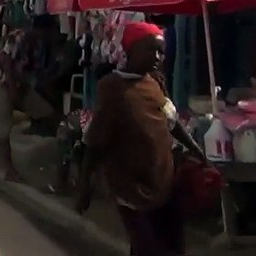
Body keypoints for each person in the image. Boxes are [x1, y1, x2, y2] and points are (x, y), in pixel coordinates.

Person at [77, 22, 208, 256]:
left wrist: (198, 153)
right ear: (130, 50)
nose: (158, 57)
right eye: (151, 50)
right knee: (148, 247)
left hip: (163, 180)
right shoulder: (112, 87)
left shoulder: (155, 81)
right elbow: (95, 141)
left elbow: (172, 121)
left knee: (171, 247)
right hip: (131, 186)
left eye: (161, 51)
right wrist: (85, 185)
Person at [0, 27, 56, 182]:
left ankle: (44, 156)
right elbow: (6, 60)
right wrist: (12, 89)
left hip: (21, 84)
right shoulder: (19, 37)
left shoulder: (43, 45)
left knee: (47, 113)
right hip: (0, 82)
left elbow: (35, 72)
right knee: (2, 129)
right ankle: (9, 170)